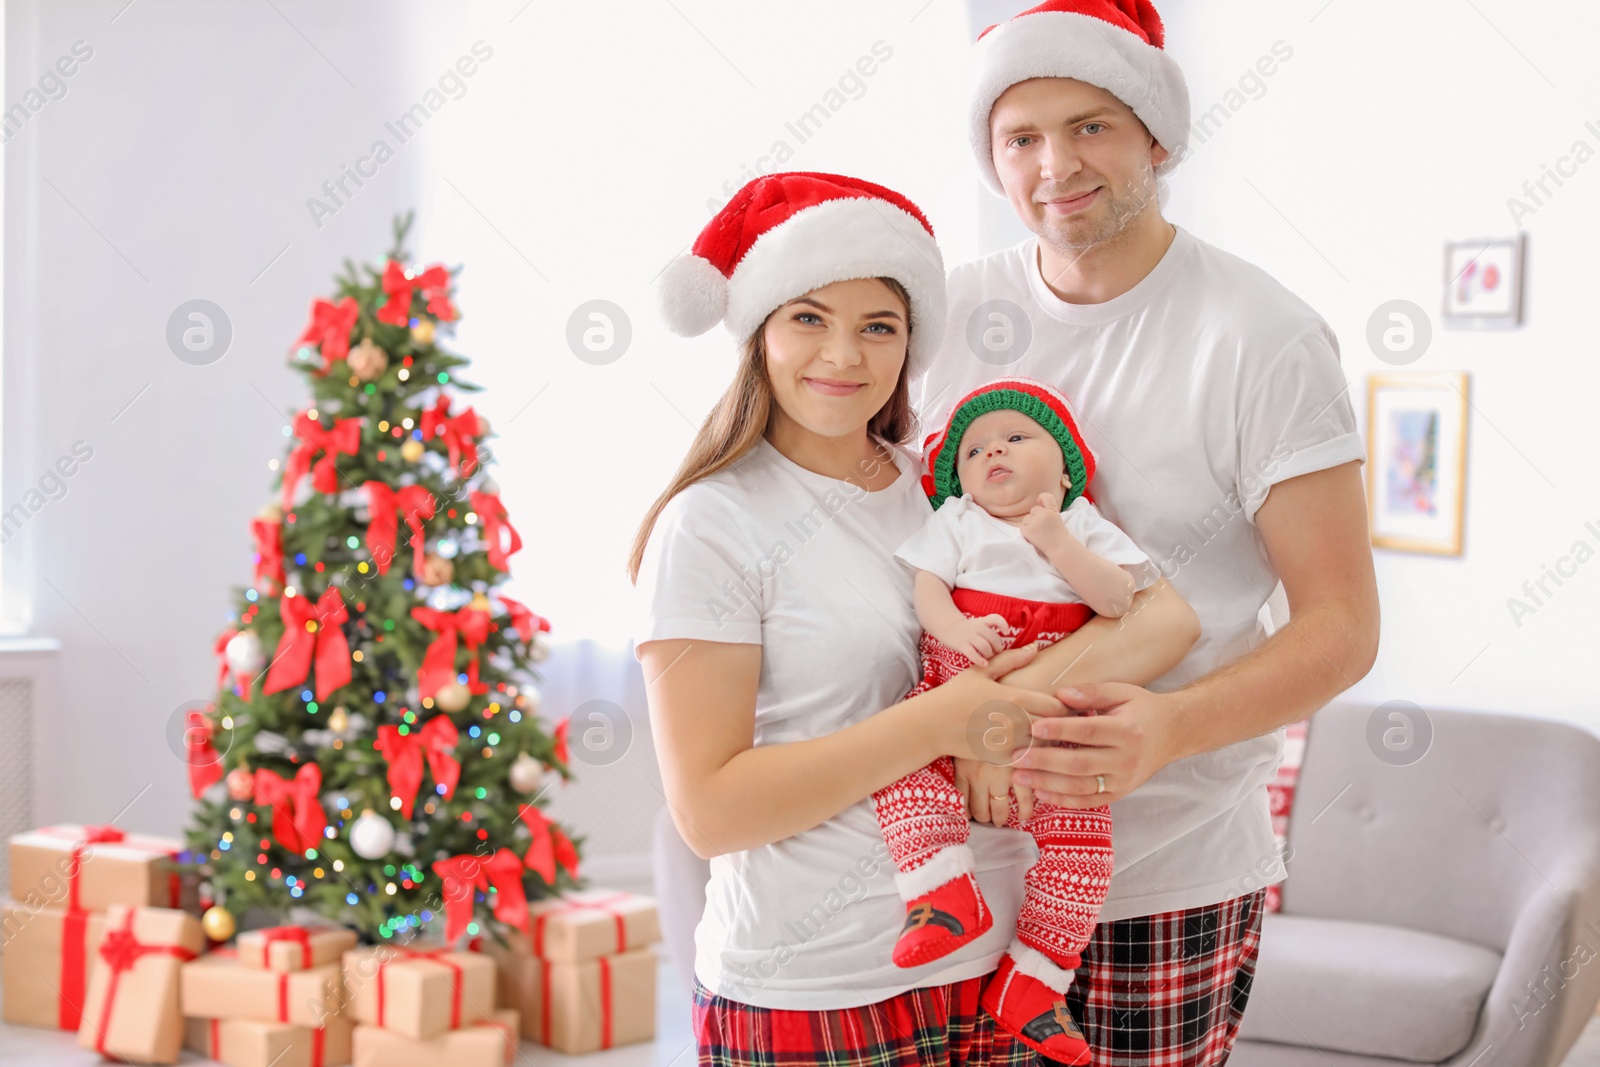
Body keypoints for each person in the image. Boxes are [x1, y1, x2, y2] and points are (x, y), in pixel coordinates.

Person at [629, 170, 1201, 1067]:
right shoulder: (711, 522)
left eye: (878, 327)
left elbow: (1164, 617)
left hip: (1000, 979)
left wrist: (996, 713)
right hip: (815, 991)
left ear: (911, 344)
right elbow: (710, 813)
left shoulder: (940, 481)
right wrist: (942, 720)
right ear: (758, 331)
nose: (844, 355)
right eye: (809, 317)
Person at [913, 1, 1382, 1062]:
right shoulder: (942, 317)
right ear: (990, 158)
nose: (1054, 166)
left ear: (1156, 137)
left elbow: (1343, 625)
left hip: (1154, 881)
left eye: (1091, 126)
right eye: (1020, 136)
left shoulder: (1260, 337)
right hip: (943, 869)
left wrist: (1168, 727)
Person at [874, 376, 1176, 1065]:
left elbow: (1119, 598)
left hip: (1055, 718)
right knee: (902, 766)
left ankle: (1035, 976)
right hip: (956, 681)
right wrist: (955, 625)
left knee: (1084, 851)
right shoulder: (957, 522)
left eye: (1015, 437)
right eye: (974, 449)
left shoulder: (1083, 525)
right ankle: (943, 888)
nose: (992, 452)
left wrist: (1057, 540)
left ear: (1066, 468)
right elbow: (927, 590)